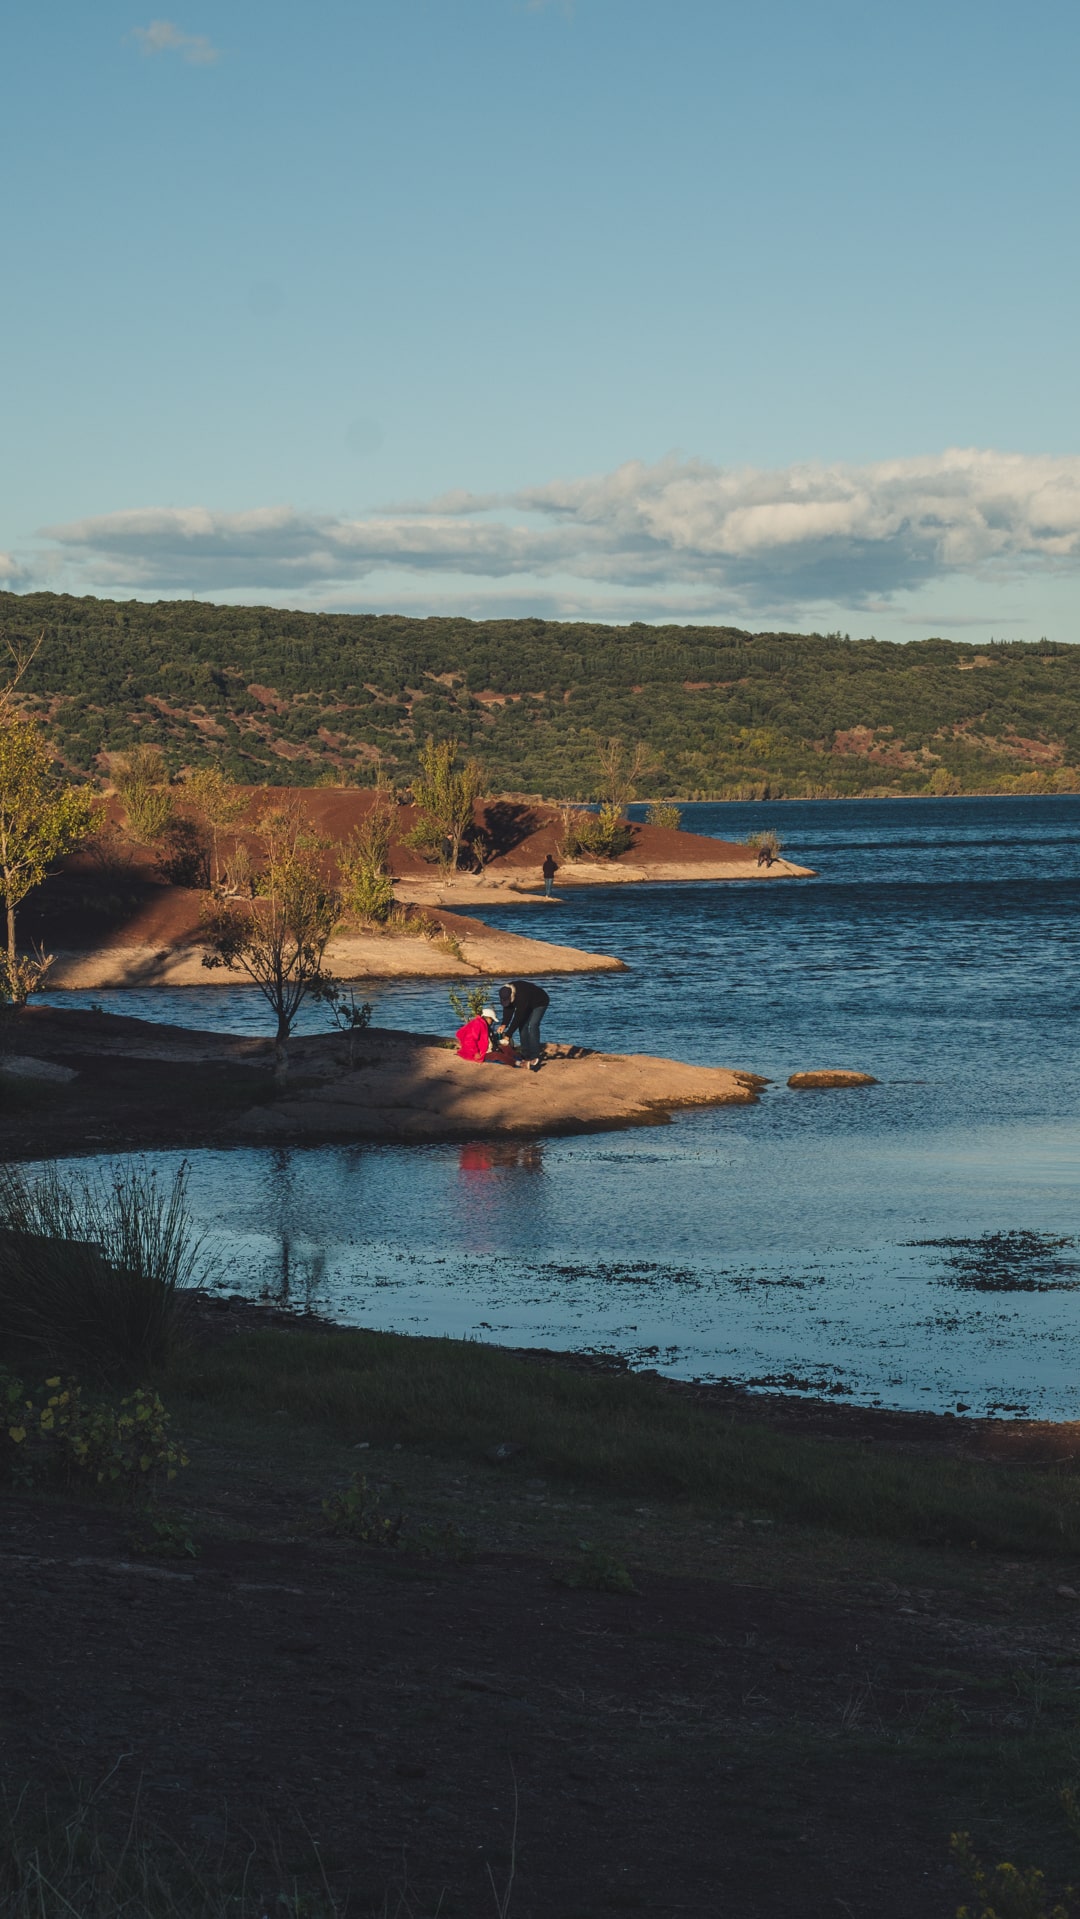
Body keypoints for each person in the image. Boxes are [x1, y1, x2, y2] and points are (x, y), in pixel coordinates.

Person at [497, 979, 549, 1072]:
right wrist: (504, 1024)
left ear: (512, 995)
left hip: (540, 1002)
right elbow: (508, 1010)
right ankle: (525, 1055)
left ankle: (534, 1055)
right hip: (528, 1003)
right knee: (522, 1026)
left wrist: (508, 1035)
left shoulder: (522, 995)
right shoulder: (504, 993)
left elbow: (518, 1017)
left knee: (532, 1025)